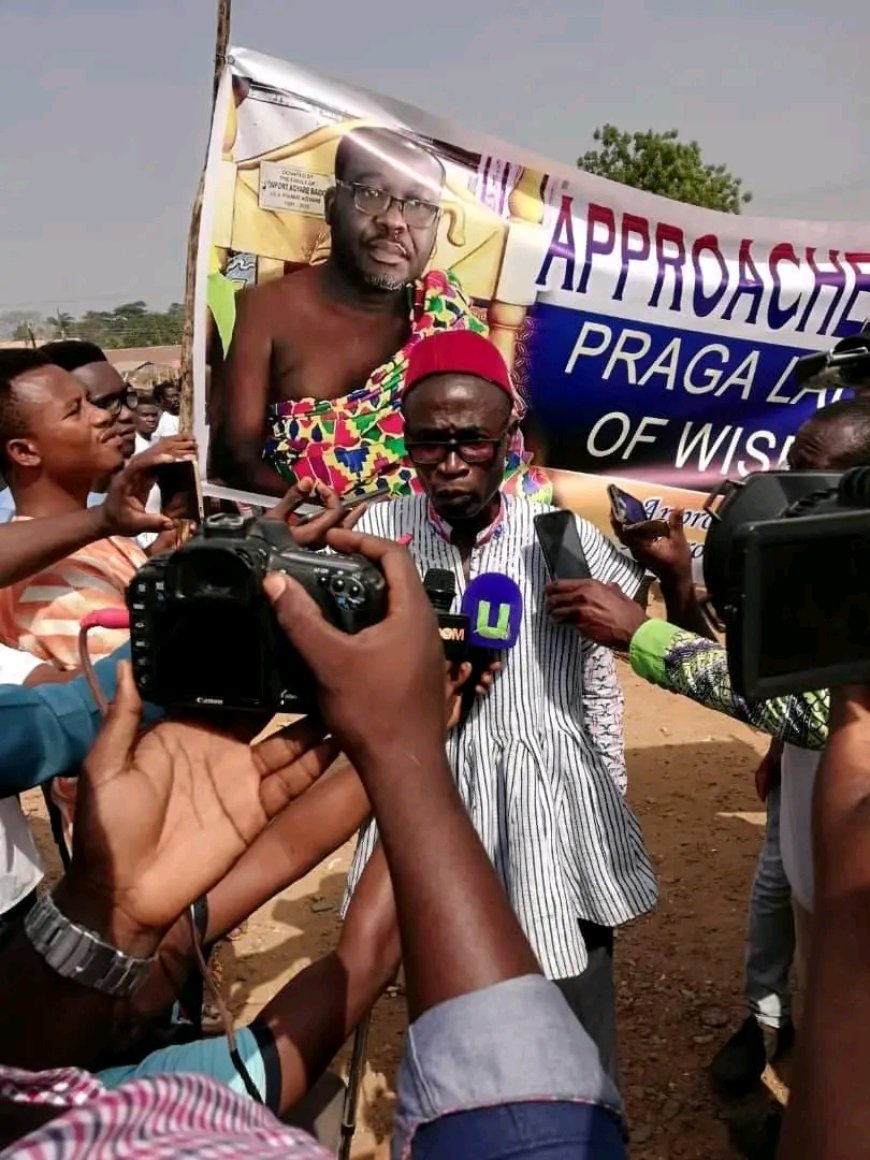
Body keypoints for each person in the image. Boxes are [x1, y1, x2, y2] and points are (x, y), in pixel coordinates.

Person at [0, 527, 625, 1159]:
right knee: (322, 1103)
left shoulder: (44, 1099)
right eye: (131, 968)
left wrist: (110, 907)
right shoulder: (182, 1105)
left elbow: (286, 852)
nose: (148, 957)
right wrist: (412, 754)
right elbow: (366, 964)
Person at [344, 328, 656, 1081]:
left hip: (548, 805)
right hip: (424, 790)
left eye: (472, 442)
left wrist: (669, 575)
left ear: (508, 438)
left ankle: (581, 1118)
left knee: (572, 1008)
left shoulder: (559, 536)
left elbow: (626, 639)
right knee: (449, 999)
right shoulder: (374, 532)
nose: (450, 463)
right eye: (430, 443)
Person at [210, 125, 549, 504]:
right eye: (371, 195)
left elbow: (490, 446)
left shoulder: (444, 313)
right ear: (331, 205)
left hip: (441, 523)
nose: (395, 221)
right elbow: (236, 457)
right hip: (307, 525)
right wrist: (334, 515)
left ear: (436, 226)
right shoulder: (263, 311)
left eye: (418, 205)